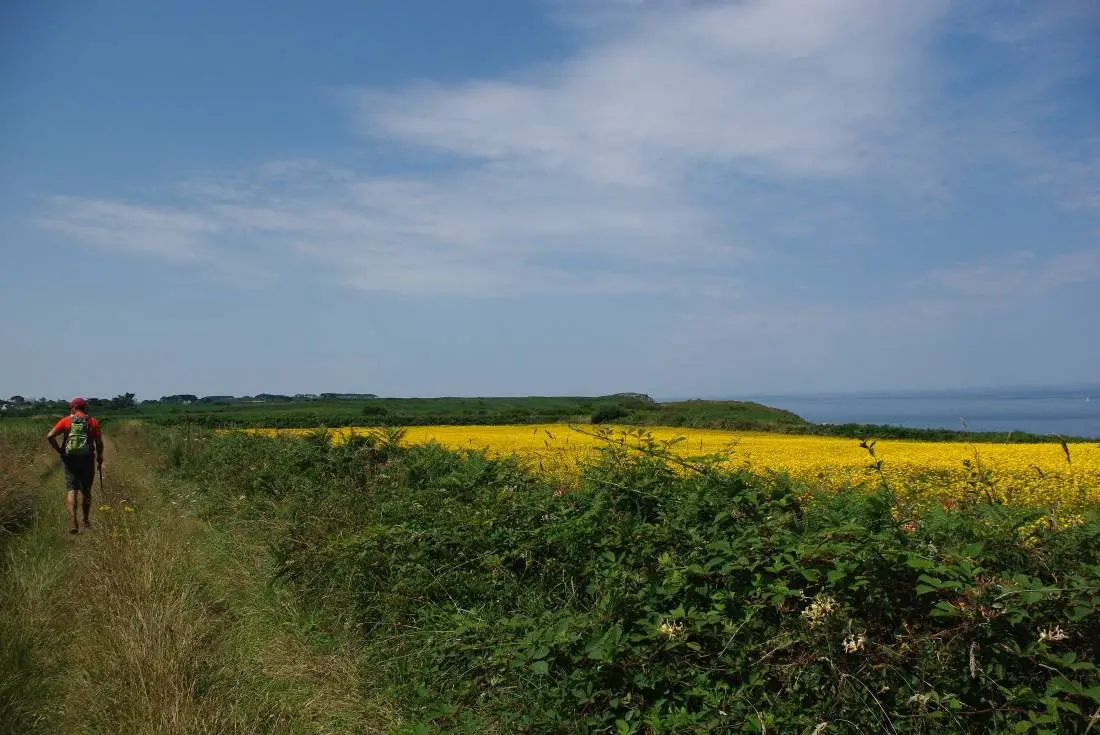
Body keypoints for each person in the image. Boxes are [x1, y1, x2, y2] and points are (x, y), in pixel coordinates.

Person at [46, 397, 104, 534]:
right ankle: (85, 521)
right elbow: (99, 443)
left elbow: (50, 435)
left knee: (72, 489)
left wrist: (60, 450)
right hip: (87, 458)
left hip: (70, 458)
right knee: (86, 490)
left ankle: (73, 522)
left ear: (73, 408)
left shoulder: (66, 421)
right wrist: (100, 457)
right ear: (85, 407)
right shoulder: (92, 422)